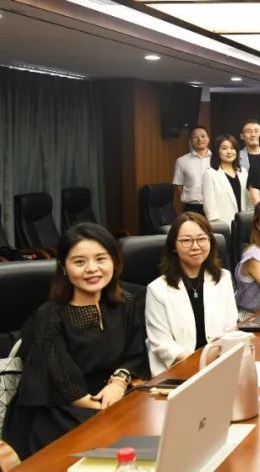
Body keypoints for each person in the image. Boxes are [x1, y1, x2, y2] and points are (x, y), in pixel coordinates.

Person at [5, 224, 149, 458]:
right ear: (64, 267)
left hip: (113, 396)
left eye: (100, 259)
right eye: (79, 262)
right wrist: (103, 408)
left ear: (114, 261)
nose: (92, 269)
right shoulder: (50, 316)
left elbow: (135, 353)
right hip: (64, 409)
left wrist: (118, 382)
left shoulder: (126, 301)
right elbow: (61, 381)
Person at [145, 213, 238, 376]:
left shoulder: (223, 278)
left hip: (218, 364)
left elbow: (230, 327)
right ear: (173, 246)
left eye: (202, 239)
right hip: (179, 371)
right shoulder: (157, 289)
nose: (195, 246)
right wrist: (200, 363)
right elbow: (162, 344)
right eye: (186, 240)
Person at [202, 134, 252, 228]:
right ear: (217, 151)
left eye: (232, 148)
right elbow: (209, 206)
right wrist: (217, 226)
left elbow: (249, 199)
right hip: (223, 224)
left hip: (243, 223)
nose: (229, 152)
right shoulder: (210, 174)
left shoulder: (243, 172)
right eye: (224, 148)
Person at [172, 125, 212, 214]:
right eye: (195, 137)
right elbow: (178, 186)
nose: (200, 139)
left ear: (208, 139)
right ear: (190, 141)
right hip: (192, 208)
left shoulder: (217, 159)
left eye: (203, 136)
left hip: (214, 206)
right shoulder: (181, 161)